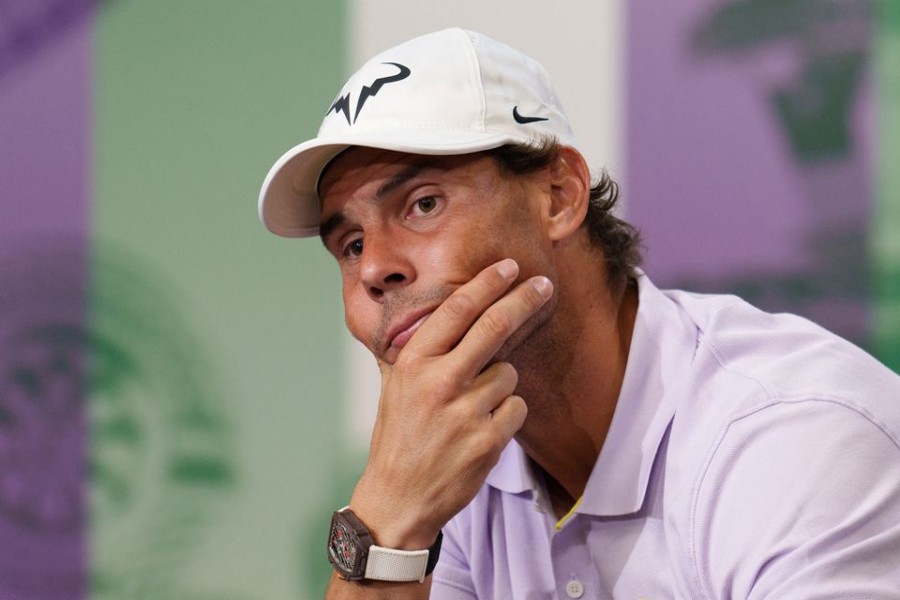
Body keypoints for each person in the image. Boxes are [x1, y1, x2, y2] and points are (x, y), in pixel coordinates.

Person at [258, 28, 900, 599]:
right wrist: (388, 517)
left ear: (559, 197)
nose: (375, 269)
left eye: (423, 204)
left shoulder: (791, 437)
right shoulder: (449, 474)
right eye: (351, 244)